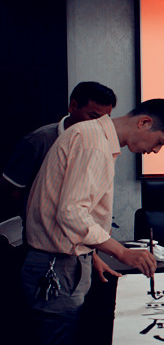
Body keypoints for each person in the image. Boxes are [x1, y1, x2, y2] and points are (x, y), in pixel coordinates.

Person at [21, 98, 164, 345]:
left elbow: (65, 205)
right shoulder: (94, 144)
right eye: (160, 142)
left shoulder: (93, 137)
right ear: (144, 123)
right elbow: (70, 213)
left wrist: (91, 253)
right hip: (55, 267)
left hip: (66, 260)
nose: (155, 151)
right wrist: (121, 251)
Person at [1, 81, 120, 281]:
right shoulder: (39, 141)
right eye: (93, 117)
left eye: (104, 120)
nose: (99, 125)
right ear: (73, 106)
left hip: (78, 245)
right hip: (43, 245)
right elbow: (11, 189)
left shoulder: (98, 143)